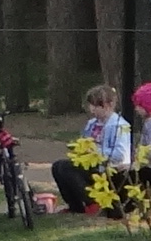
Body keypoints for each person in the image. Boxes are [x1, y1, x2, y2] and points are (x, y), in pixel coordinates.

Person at [57, 84, 134, 219]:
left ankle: (92, 203)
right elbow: (85, 141)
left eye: (97, 106)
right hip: (91, 165)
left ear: (109, 105)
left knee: (66, 168)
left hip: (110, 169)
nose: (92, 109)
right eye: (90, 105)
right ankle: (75, 206)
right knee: (58, 166)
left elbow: (120, 154)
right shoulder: (92, 124)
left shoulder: (119, 126)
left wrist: (95, 152)